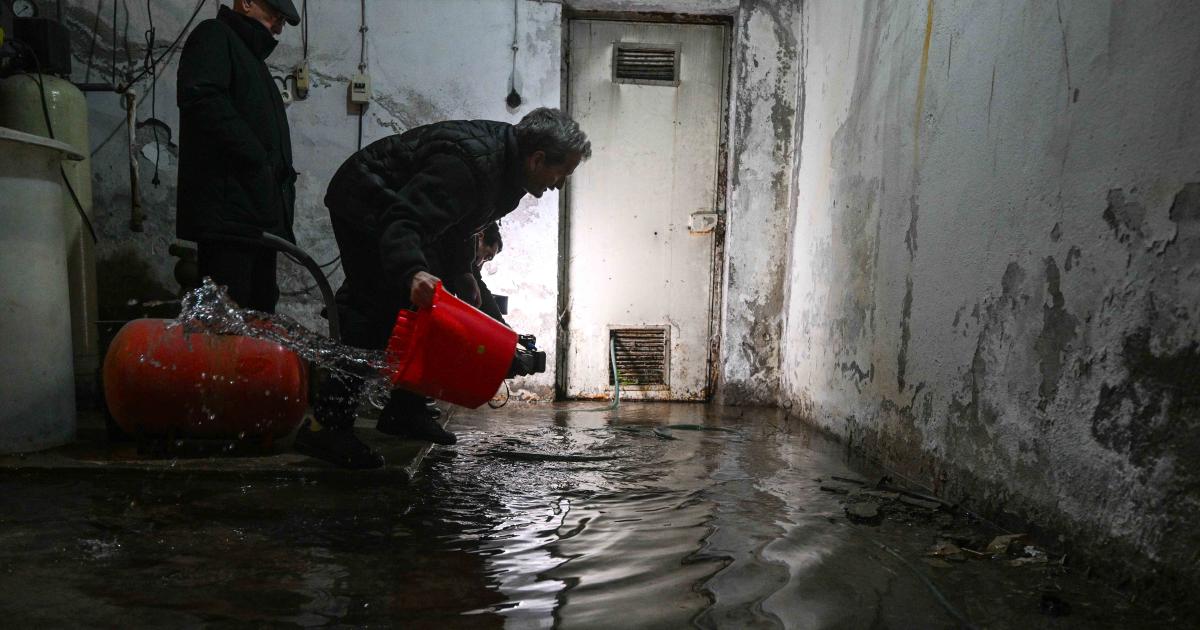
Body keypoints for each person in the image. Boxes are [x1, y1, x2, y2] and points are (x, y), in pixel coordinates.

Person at [295, 108, 590, 469]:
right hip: (367, 200)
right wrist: (413, 271)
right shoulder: (469, 164)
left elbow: (454, 224)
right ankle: (325, 424)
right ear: (538, 158)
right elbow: (406, 220)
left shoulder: (509, 174)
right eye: (562, 173)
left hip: (403, 213)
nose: (559, 184)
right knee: (374, 306)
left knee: (439, 303)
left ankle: (405, 410)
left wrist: (461, 272)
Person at [175, 0, 300, 313]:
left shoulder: (253, 62)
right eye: (275, 15)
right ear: (245, 3)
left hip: (254, 220)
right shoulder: (215, 36)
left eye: (283, 21)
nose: (278, 27)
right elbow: (203, 99)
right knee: (228, 325)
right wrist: (258, 159)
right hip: (229, 217)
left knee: (258, 317)